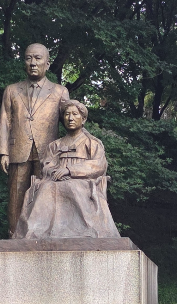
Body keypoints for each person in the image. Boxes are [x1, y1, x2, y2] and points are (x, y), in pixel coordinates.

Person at [13, 100, 120, 239]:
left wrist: (70, 170)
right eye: (67, 114)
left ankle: (83, 231)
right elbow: (47, 164)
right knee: (45, 188)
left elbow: (98, 165)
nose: (70, 118)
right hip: (55, 180)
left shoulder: (92, 143)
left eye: (75, 114)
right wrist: (54, 172)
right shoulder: (55, 145)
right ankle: (37, 232)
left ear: (83, 119)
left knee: (71, 186)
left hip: (82, 181)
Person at [0, 43, 69, 237]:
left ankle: (42, 234)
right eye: (29, 58)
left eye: (37, 58)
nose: (33, 63)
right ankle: (14, 234)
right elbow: (5, 120)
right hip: (18, 150)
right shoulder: (12, 90)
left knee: (44, 195)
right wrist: (3, 151)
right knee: (16, 194)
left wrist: (77, 147)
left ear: (47, 63)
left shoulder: (59, 92)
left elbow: (70, 121)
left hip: (48, 152)